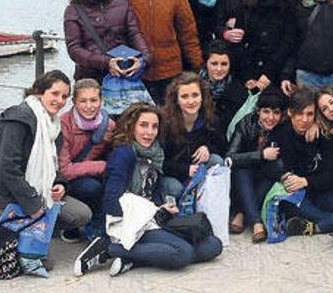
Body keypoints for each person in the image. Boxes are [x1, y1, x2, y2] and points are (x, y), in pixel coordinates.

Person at [73, 102, 222, 277]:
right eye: (143, 125)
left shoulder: (155, 152)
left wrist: (162, 209)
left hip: (152, 216)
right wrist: (119, 233)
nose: (149, 132)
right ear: (131, 126)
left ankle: (135, 258)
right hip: (132, 222)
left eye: (154, 127)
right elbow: (111, 197)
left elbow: (150, 193)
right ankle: (109, 249)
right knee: (183, 253)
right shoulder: (124, 153)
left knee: (213, 244)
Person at [0, 70, 92, 238]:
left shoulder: (53, 125)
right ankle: (24, 230)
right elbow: (7, 168)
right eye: (55, 93)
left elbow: (53, 164)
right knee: (42, 263)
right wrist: (33, 204)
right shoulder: (17, 119)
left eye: (64, 96)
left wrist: (60, 184)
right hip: (10, 199)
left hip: (43, 194)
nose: (60, 101)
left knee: (82, 214)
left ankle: (42, 230)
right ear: (39, 92)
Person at [114, 0, 202, 105]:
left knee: (169, 125)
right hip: (135, 72)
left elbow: (188, 33)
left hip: (170, 72)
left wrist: (198, 67)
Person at [266, 88, 333, 235]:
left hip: (326, 194)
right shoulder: (280, 133)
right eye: (299, 114)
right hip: (300, 198)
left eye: (310, 114)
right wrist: (284, 176)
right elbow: (268, 166)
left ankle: (324, 225)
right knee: (285, 200)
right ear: (290, 112)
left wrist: (306, 181)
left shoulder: (324, 134)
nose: (305, 120)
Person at [63, 0, 150, 83]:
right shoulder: (73, 11)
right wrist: (106, 62)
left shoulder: (122, 3)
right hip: (90, 79)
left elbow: (134, 34)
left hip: (122, 74)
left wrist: (144, 58)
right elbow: (74, 49)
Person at [225, 87, 287, 242]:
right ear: (258, 111)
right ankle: (256, 222)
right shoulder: (245, 124)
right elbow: (230, 158)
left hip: (267, 177)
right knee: (241, 171)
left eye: (276, 113)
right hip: (243, 178)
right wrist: (261, 155)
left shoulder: (284, 128)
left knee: (276, 168)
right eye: (266, 111)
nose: (271, 117)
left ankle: (241, 212)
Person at [58, 78, 117, 241]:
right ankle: (80, 225)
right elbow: (65, 169)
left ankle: (108, 224)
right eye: (83, 101)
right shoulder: (64, 124)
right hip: (64, 179)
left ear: (101, 100)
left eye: (94, 100)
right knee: (91, 188)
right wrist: (102, 166)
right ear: (74, 102)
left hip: (89, 171)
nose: (89, 106)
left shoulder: (109, 125)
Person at [158, 72, 228, 202]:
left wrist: (208, 148)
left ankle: (209, 205)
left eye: (195, 95)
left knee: (216, 161)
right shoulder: (165, 123)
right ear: (176, 100)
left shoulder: (210, 118)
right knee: (175, 189)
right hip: (172, 174)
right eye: (184, 96)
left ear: (202, 96)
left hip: (198, 171)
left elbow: (223, 147)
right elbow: (160, 163)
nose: (191, 101)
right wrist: (185, 170)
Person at [238, 0, 298, 90]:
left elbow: (288, 43)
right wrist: (248, 76)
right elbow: (242, 42)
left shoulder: (289, 4)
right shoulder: (248, 2)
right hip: (251, 72)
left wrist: (269, 74)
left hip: (277, 72)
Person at [199, 40, 248, 131]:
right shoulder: (193, 87)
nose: (219, 69)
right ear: (206, 64)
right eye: (214, 64)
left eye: (224, 64)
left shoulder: (238, 91)